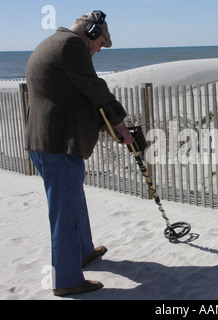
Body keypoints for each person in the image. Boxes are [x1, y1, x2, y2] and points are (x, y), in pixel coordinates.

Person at [25, 10, 134, 297]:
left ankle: (83, 252)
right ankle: (66, 280)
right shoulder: (71, 46)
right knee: (65, 211)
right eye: (98, 46)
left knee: (72, 202)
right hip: (58, 144)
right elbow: (95, 89)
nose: (97, 52)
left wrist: (112, 126)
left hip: (47, 142)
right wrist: (120, 122)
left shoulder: (53, 42)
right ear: (93, 32)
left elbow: (74, 97)